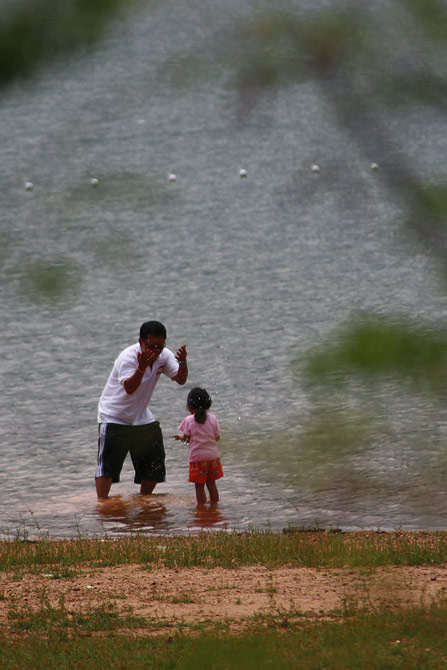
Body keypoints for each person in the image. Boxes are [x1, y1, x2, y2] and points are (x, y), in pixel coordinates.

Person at [95, 320, 188, 499]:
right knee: (107, 468)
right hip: (114, 416)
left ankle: (145, 502)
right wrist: (141, 367)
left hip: (141, 416)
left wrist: (183, 363)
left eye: (160, 346)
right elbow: (130, 388)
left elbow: (180, 379)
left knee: (154, 463)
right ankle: (103, 505)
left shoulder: (164, 355)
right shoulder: (128, 357)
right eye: (151, 346)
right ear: (141, 342)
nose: (156, 351)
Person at [172, 387, 222, 505]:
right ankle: (215, 507)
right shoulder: (213, 418)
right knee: (212, 484)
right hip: (213, 458)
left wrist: (180, 437)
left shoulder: (189, 420)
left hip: (198, 459)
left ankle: (201, 510)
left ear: (189, 406)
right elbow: (217, 437)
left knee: (199, 486)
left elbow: (187, 438)